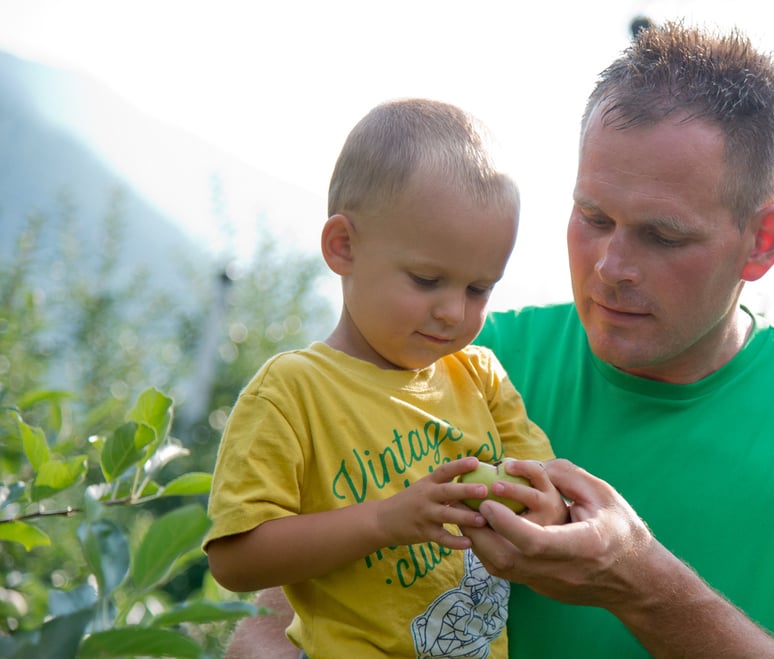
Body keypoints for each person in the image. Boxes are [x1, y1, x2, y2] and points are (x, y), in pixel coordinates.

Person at [229, 20, 774, 658]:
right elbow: (277, 614)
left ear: (760, 244)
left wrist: (641, 582)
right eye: (593, 216)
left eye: (663, 235)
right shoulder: (461, 362)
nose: (611, 266)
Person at [203, 98, 567, 659]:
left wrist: (543, 511)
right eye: (427, 280)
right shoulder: (292, 393)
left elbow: (544, 491)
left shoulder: (481, 378)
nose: (453, 311)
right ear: (343, 247)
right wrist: (383, 520)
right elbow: (235, 560)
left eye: (478, 289)